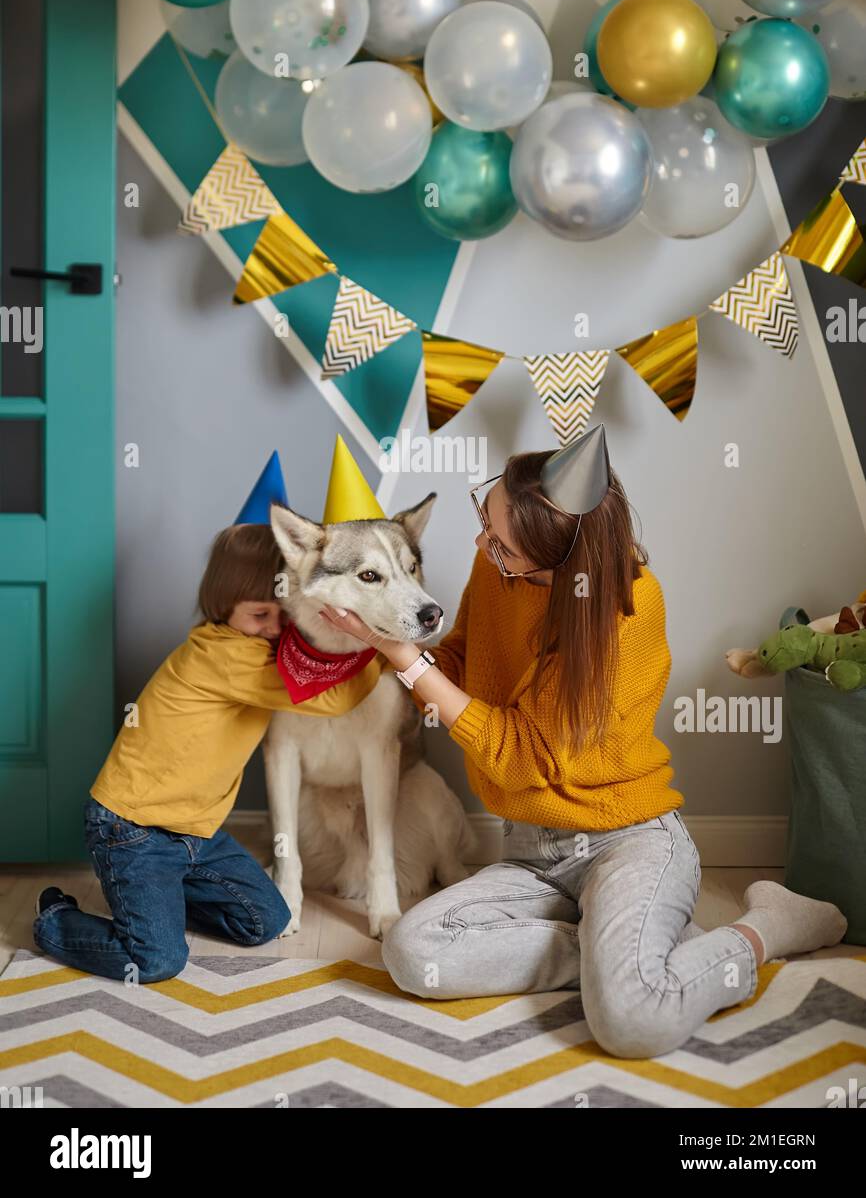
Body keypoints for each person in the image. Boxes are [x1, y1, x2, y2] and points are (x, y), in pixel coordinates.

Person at [318, 425, 848, 1059]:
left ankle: (769, 926)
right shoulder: (498, 571)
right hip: (532, 854)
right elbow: (457, 664)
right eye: (484, 522)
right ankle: (616, 954)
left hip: (627, 840)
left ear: (557, 558)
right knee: (413, 951)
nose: (483, 547)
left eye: (503, 545)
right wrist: (377, 637)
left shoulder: (628, 612)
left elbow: (523, 759)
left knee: (633, 1024)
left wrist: (405, 659)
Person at [32, 524, 386, 983]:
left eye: (283, 616)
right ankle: (54, 918)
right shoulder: (223, 657)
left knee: (266, 922)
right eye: (260, 615)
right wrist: (381, 643)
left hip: (197, 833)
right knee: (156, 961)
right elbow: (333, 698)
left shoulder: (257, 647)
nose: (274, 630)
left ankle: (157, 905)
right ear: (223, 608)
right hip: (133, 827)